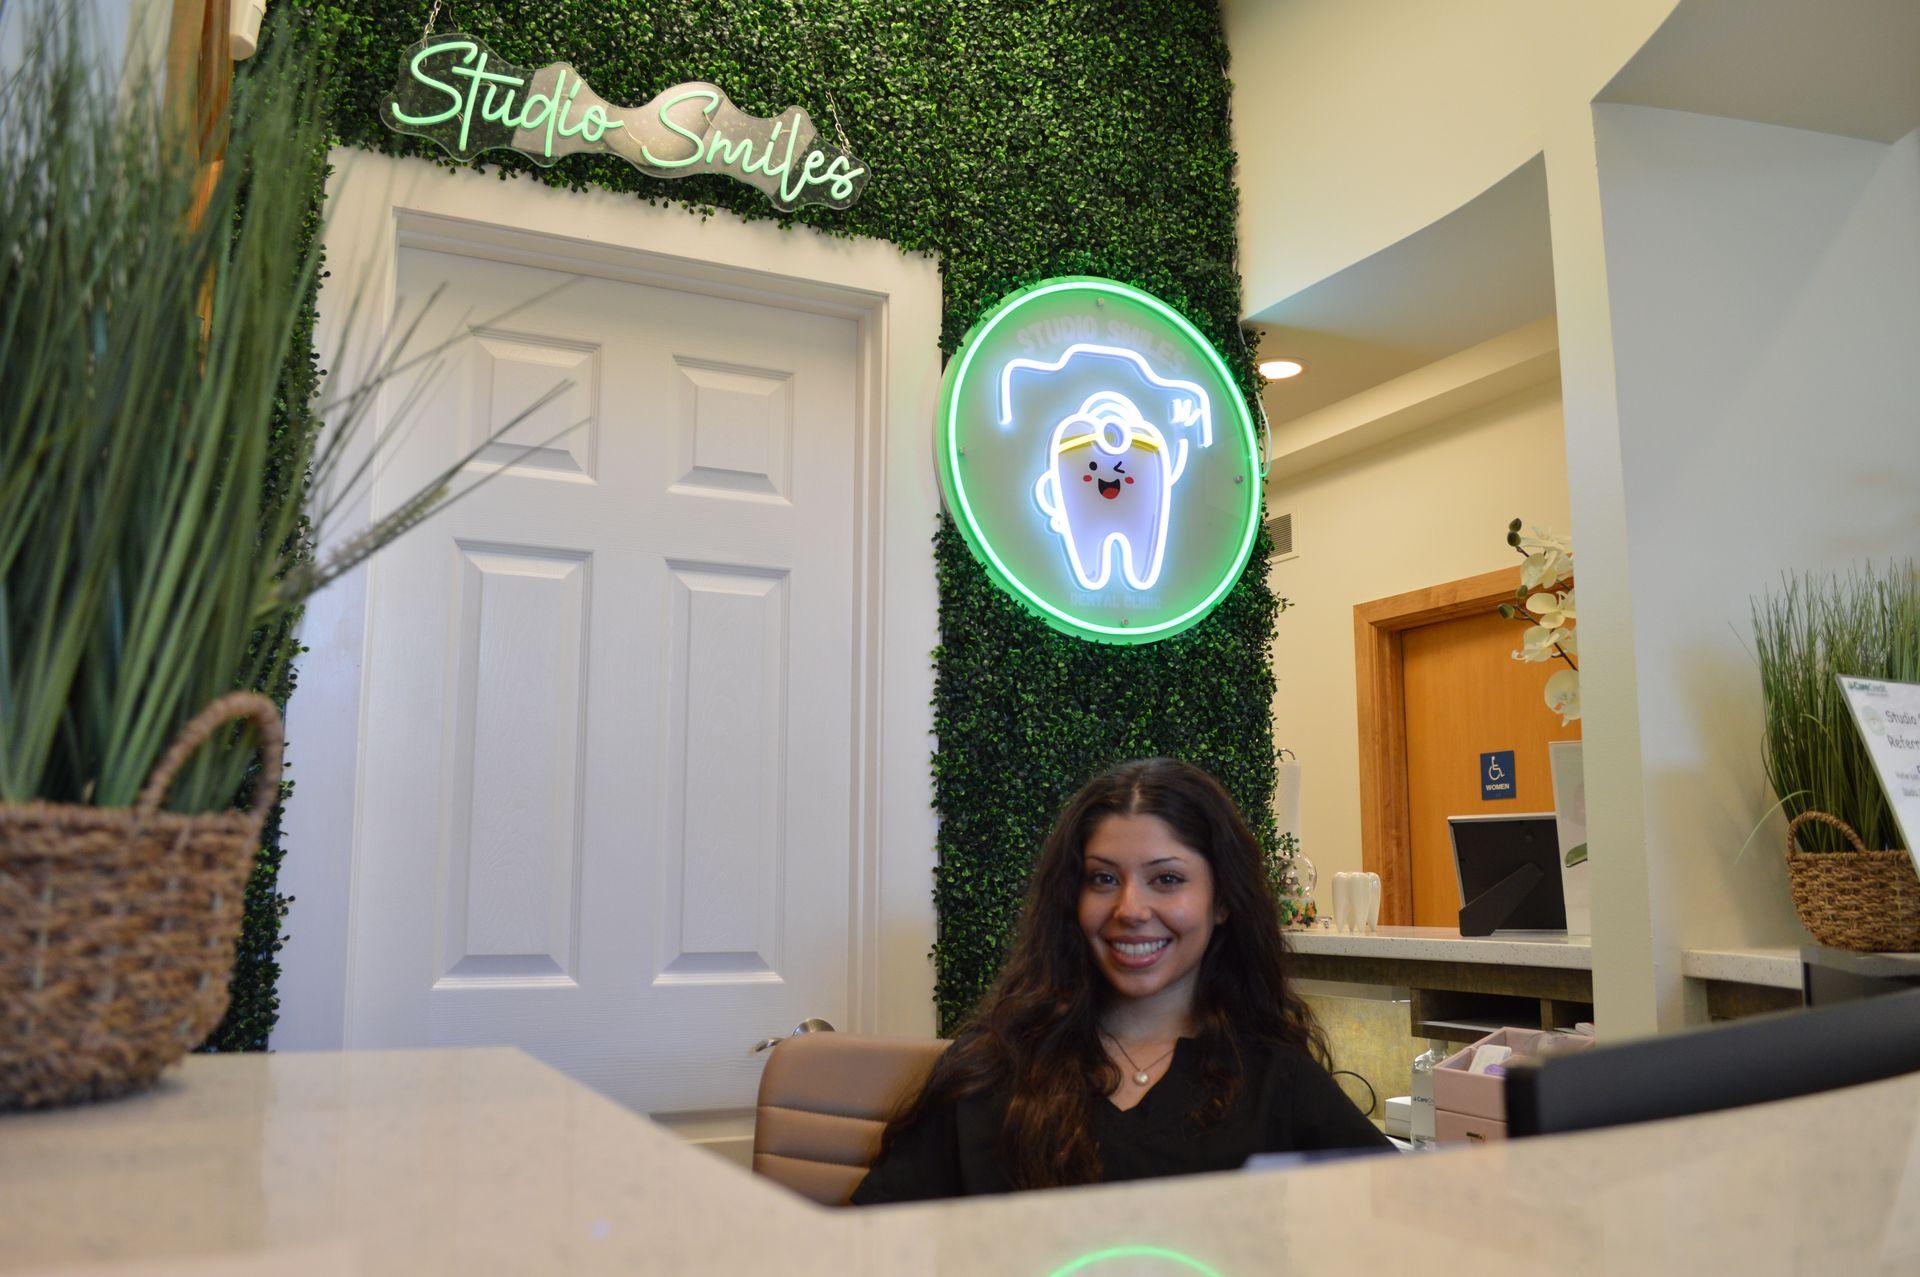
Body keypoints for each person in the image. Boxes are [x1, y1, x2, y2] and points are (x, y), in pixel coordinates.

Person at [850, 758, 1388, 1204]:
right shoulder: (993, 1067)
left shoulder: (1278, 1080)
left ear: (1221, 900)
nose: (1130, 909)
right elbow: (869, 1241)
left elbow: (1404, 1225)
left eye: (1167, 879)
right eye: (1103, 879)